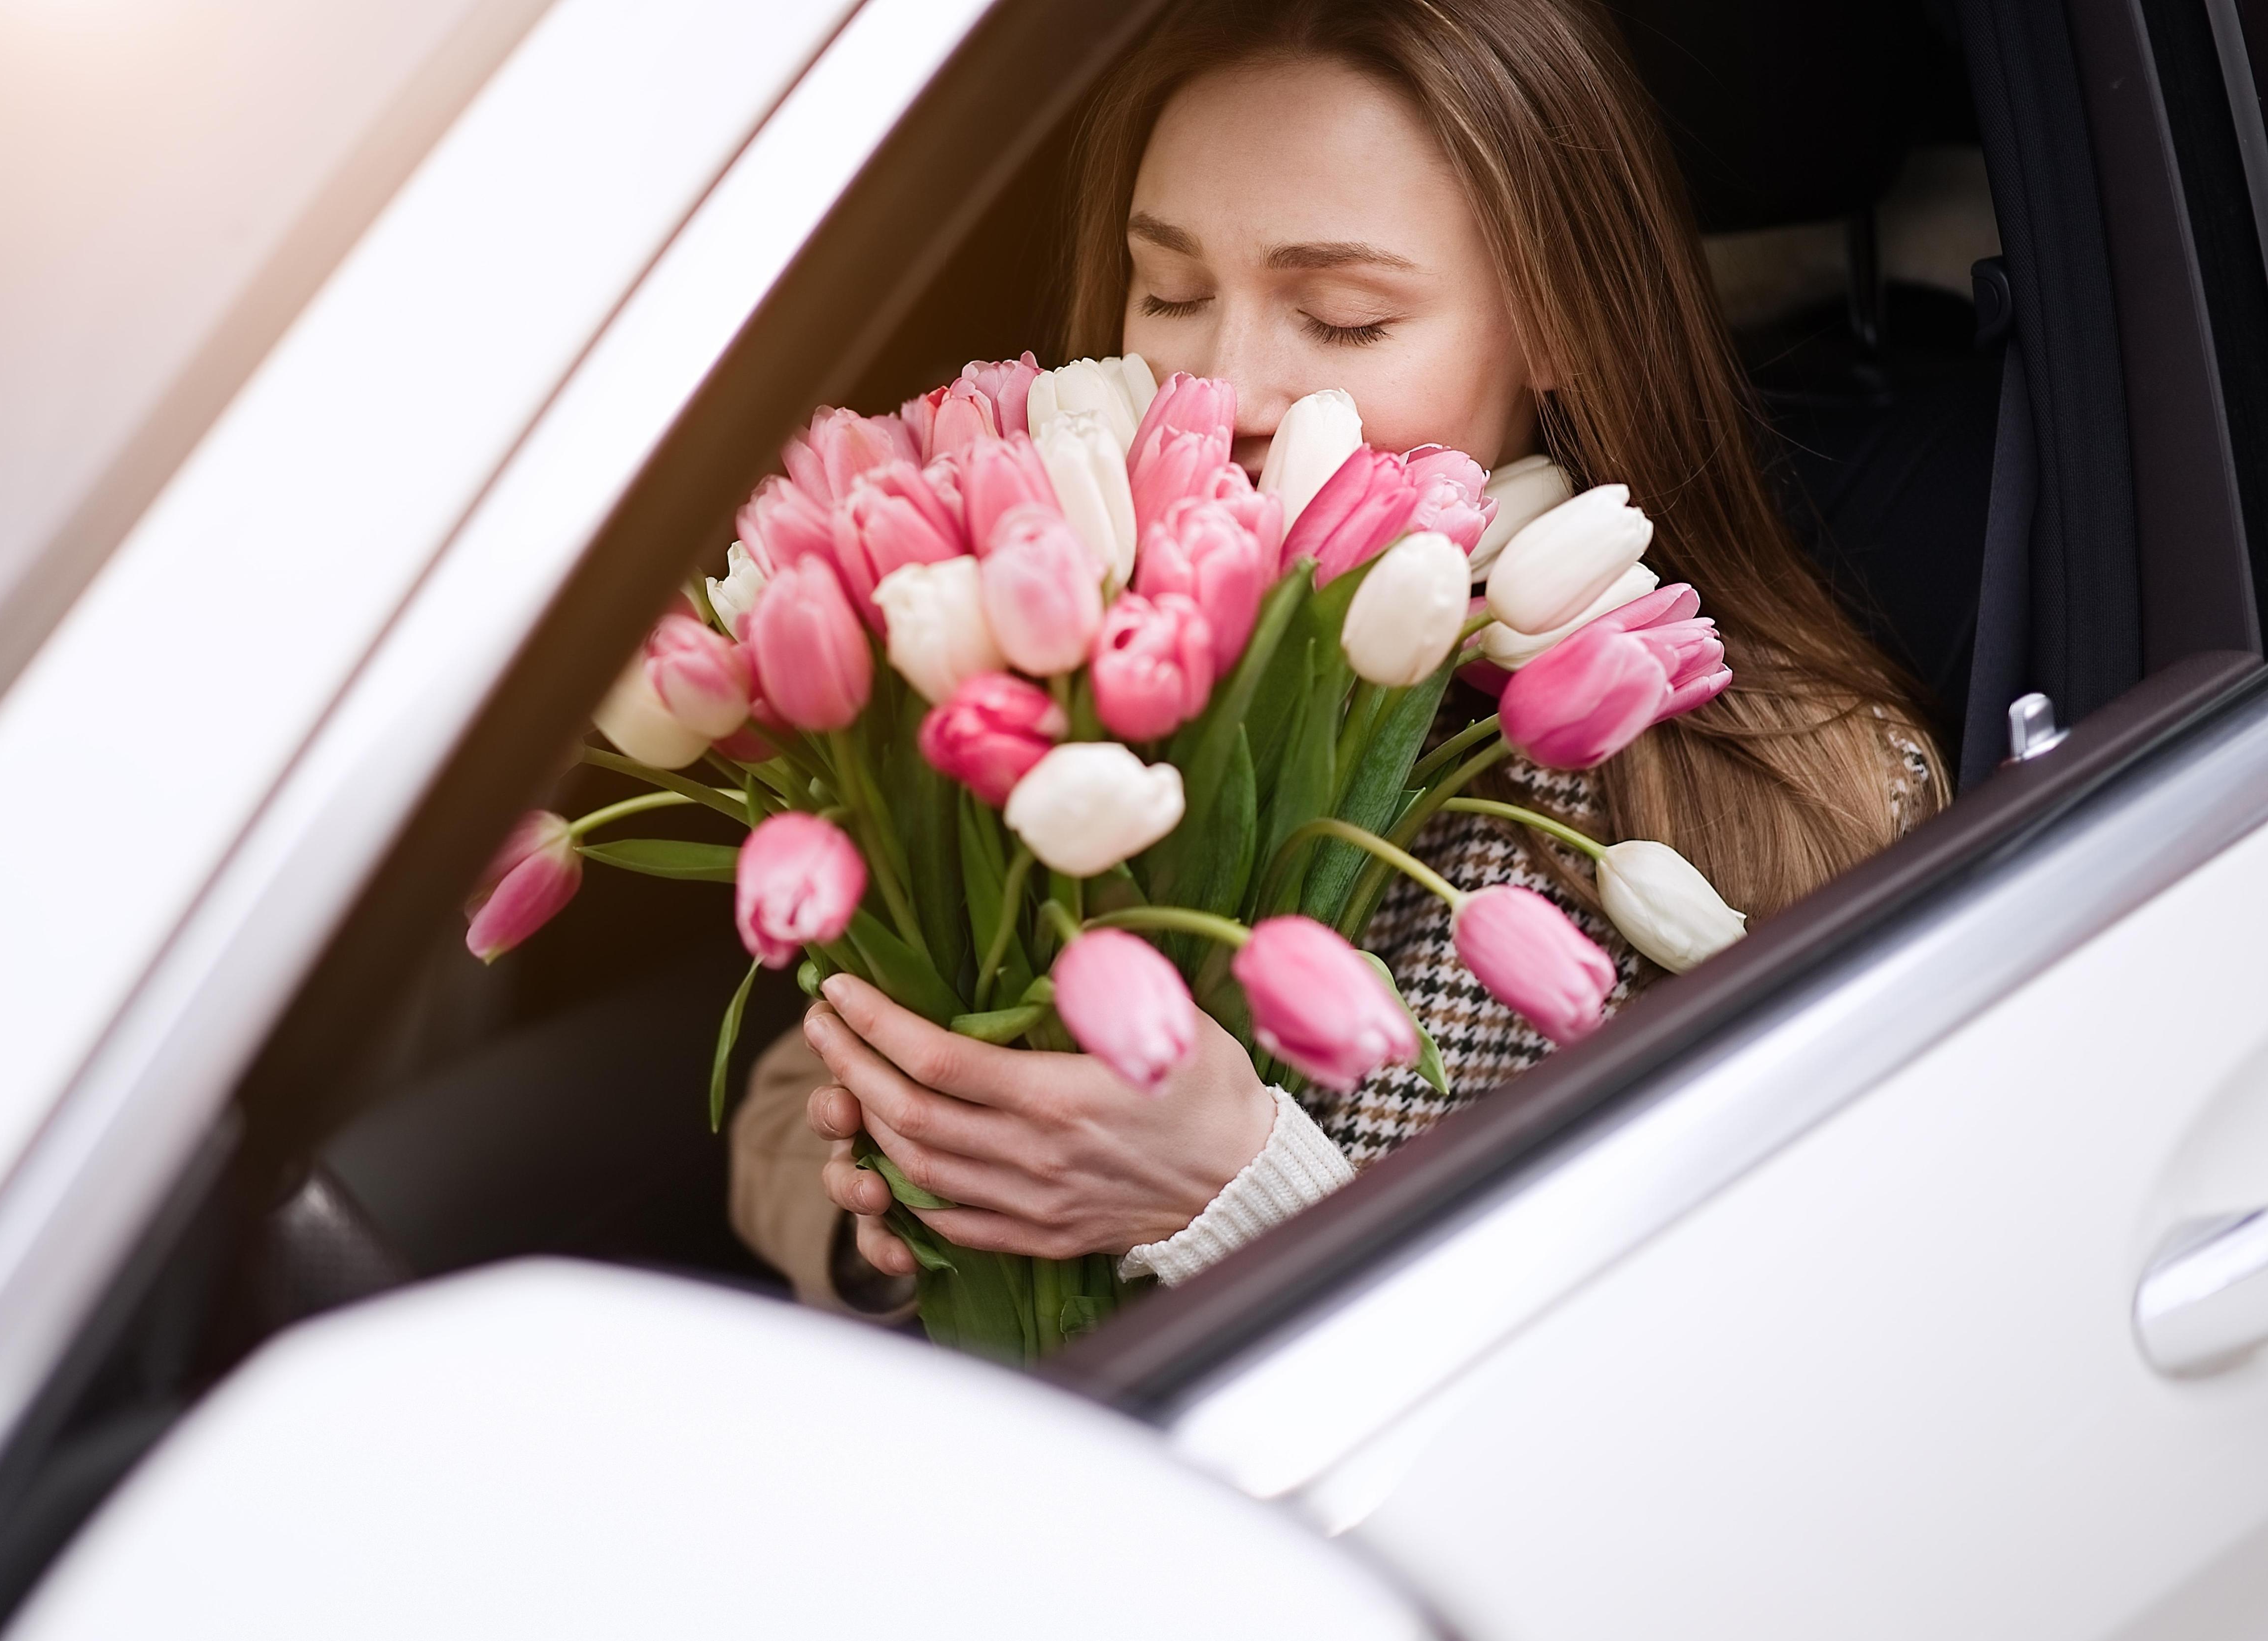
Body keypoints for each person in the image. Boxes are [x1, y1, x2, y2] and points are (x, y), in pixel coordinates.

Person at [731, 0, 1946, 1314]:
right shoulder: (1047, 641)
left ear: (1561, 323)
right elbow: (792, 1099)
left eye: (1346, 317)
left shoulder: (1786, 793)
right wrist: (909, 1208)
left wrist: (1233, 1193)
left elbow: (1737, 1359)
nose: (1228, 390)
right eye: (1172, 293)